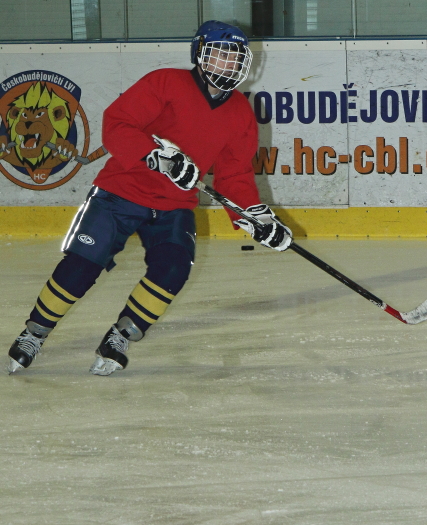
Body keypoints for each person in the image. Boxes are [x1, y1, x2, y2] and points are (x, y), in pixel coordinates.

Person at [7, 20, 292, 376]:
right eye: (220, 55)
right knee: (83, 263)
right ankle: (34, 332)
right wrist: (155, 156)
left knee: (173, 268)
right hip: (120, 193)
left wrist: (257, 218)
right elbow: (117, 123)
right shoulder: (166, 82)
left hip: (175, 205)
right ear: (200, 54)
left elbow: (234, 176)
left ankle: (120, 336)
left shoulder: (240, 113)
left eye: (235, 57)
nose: (228, 64)